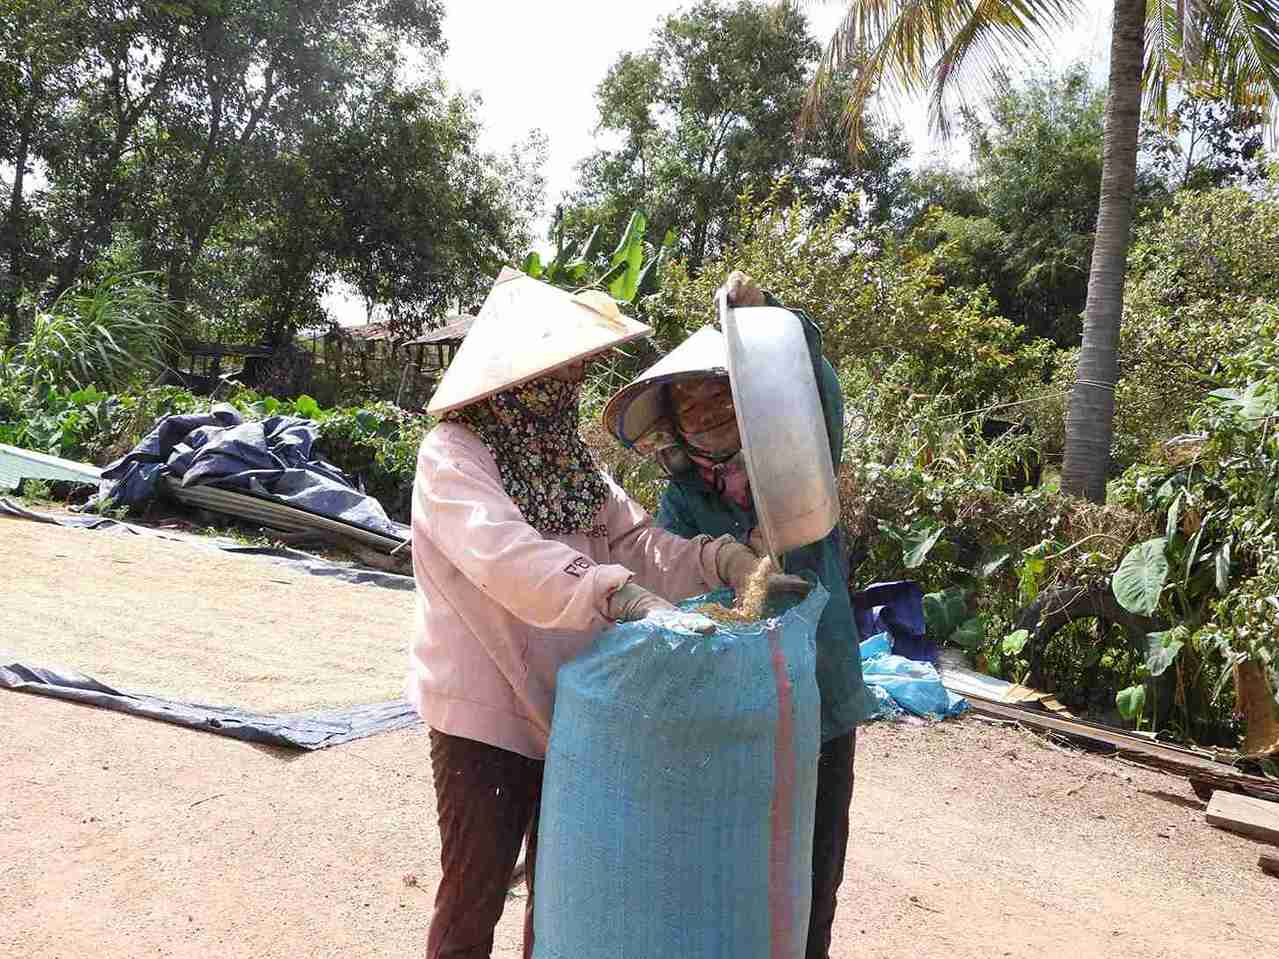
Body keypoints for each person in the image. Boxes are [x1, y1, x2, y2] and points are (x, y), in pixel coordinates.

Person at [410, 268, 800, 959]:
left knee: (558, 894)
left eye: (576, 373)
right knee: (474, 891)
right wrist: (613, 592)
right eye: (561, 373)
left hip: (568, 707)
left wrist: (720, 561)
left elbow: (636, 540)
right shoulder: (454, 454)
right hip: (483, 713)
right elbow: (507, 556)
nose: (570, 387)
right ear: (520, 377)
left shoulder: (566, 462)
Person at [602, 271, 877, 959]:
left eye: (713, 398)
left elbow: (817, 388)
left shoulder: (798, 462)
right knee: (739, 854)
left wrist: (766, 312)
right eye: (686, 406)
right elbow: (672, 566)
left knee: (815, 860)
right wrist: (718, 570)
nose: (700, 414)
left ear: (740, 399)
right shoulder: (684, 497)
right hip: (737, 701)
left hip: (822, 689)